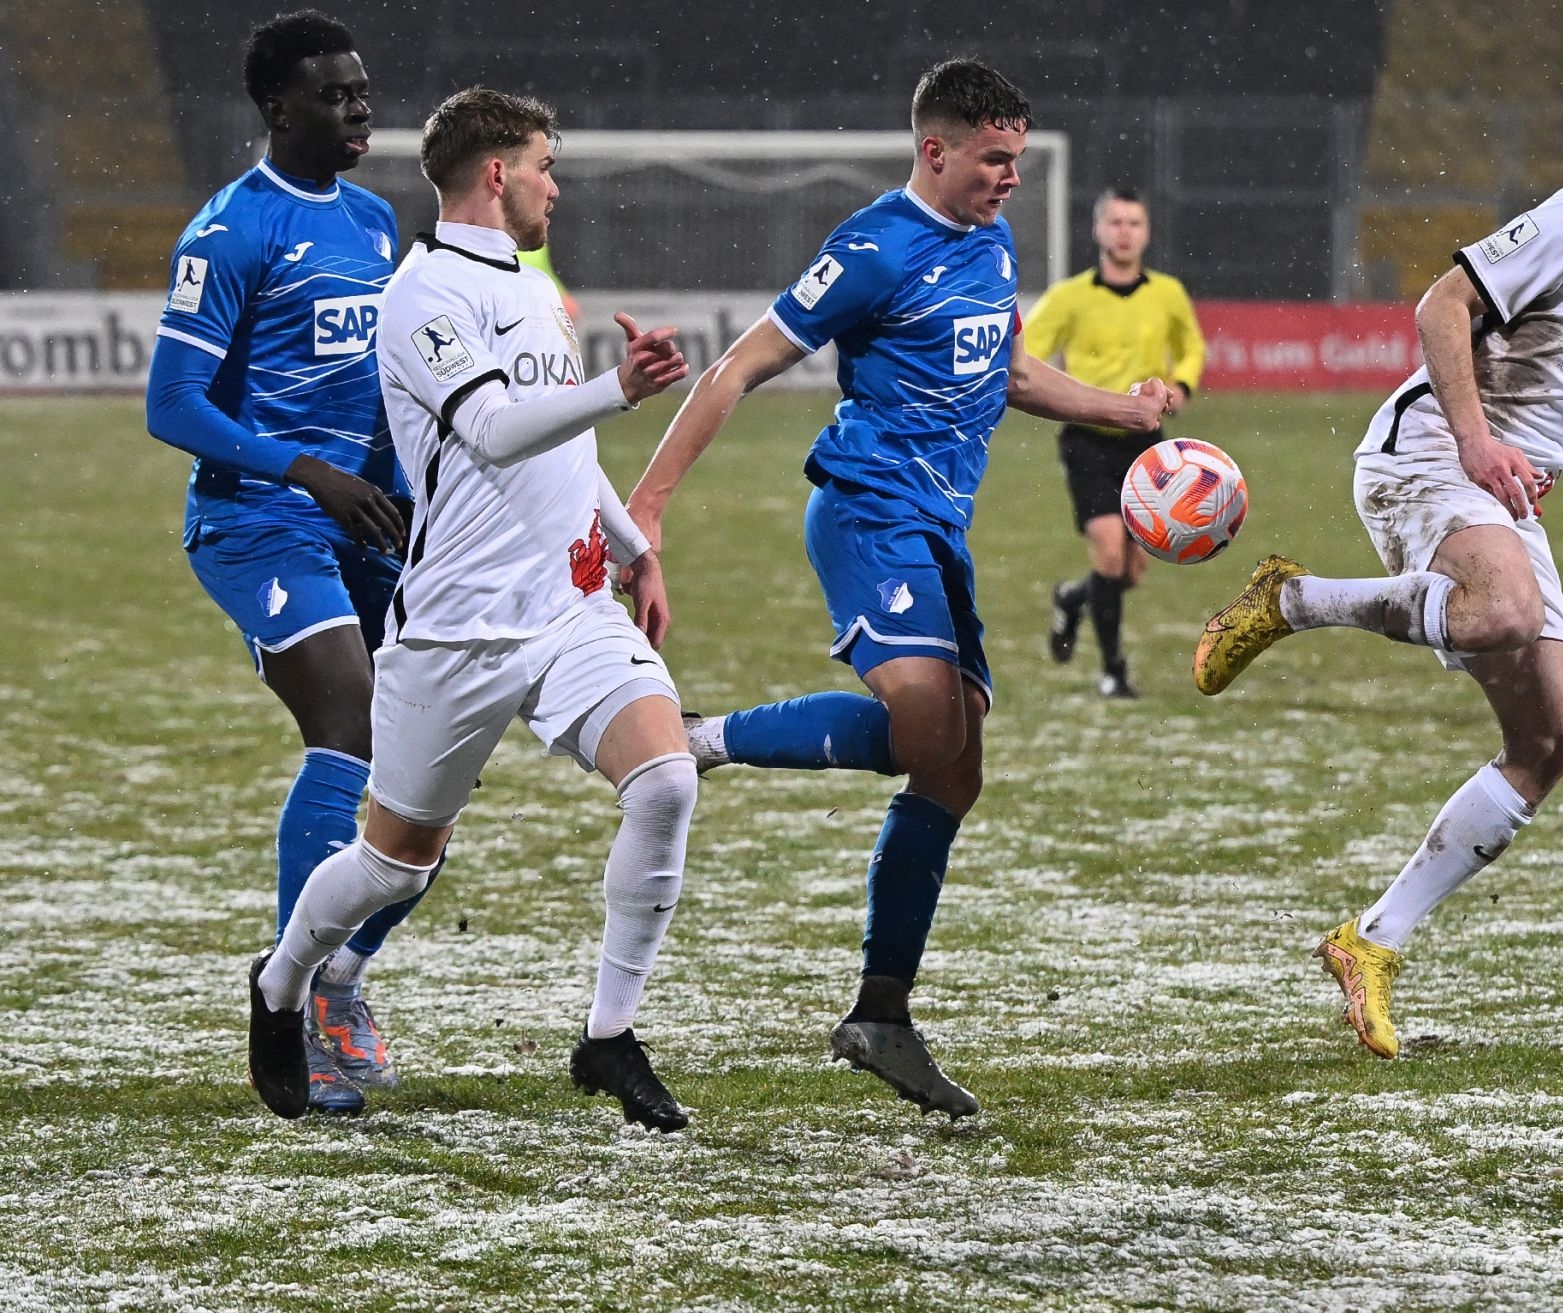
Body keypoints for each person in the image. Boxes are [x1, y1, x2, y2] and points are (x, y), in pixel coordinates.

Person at [622, 59, 1172, 1119]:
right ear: (937, 150)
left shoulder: (991, 241)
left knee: (953, 771)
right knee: (925, 724)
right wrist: (648, 505)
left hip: (939, 529)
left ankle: (882, 1012)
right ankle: (693, 737)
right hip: (870, 508)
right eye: (994, 157)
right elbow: (736, 367)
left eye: (1019, 156)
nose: (1012, 175)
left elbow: (1005, 373)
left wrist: (1121, 409)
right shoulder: (873, 246)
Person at [1193, 86, 1563, 1058]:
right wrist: (1475, 442)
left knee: (1552, 743)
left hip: (1504, 501)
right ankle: (1292, 599)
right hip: (1429, 449)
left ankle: (1367, 941)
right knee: (1503, 608)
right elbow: (1443, 306)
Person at [244, 88, 695, 1129]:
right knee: (394, 862)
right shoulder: (423, 292)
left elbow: (561, 452)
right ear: (497, 173)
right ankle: (281, 981)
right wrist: (621, 389)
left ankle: (608, 1038)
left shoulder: (535, 286)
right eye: (545, 163)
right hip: (457, 625)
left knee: (666, 779)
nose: (556, 183)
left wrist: (634, 549)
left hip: (570, 607)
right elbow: (493, 429)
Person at [145, 10, 422, 1113]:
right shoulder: (229, 232)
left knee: (430, 764)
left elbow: (385, 389)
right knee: (349, 721)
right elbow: (172, 404)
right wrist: (306, 470)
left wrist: (413, 495)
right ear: (278, 109)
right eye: (335, 93)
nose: (360, 107)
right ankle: (290, 1001)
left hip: (358, 513)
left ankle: (344, 973)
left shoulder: (372, 220)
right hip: (258, 520)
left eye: (363, 88)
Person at [1024, 187, 1206, 698]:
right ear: (1098, 230)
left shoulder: (1168, 293)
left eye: (1135, 223)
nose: (1125, 232)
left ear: (1146, 233)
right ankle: (1113, 671)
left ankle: (1073, 599)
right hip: (1087, 439)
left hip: (1145, 443)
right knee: (1108, 551)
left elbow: (1190, 346)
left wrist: (1182, 385)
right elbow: (1027, 353)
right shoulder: (1069, 297)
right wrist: (1057, 392)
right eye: (1116, 222)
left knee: (1131, 571)